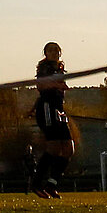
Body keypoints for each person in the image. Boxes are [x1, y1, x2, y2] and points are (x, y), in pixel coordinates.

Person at [31, 43, 74, 198]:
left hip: (58, 109)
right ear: (45, 53)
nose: (54, 52)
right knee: (54, 147)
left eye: (56, 50)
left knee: (69, 148)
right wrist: (57, 84)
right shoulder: (45, 68)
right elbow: (41, 86)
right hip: (47, 108)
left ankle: (51, 184)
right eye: (50, 50)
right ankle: (36, 184)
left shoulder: (59, 69)